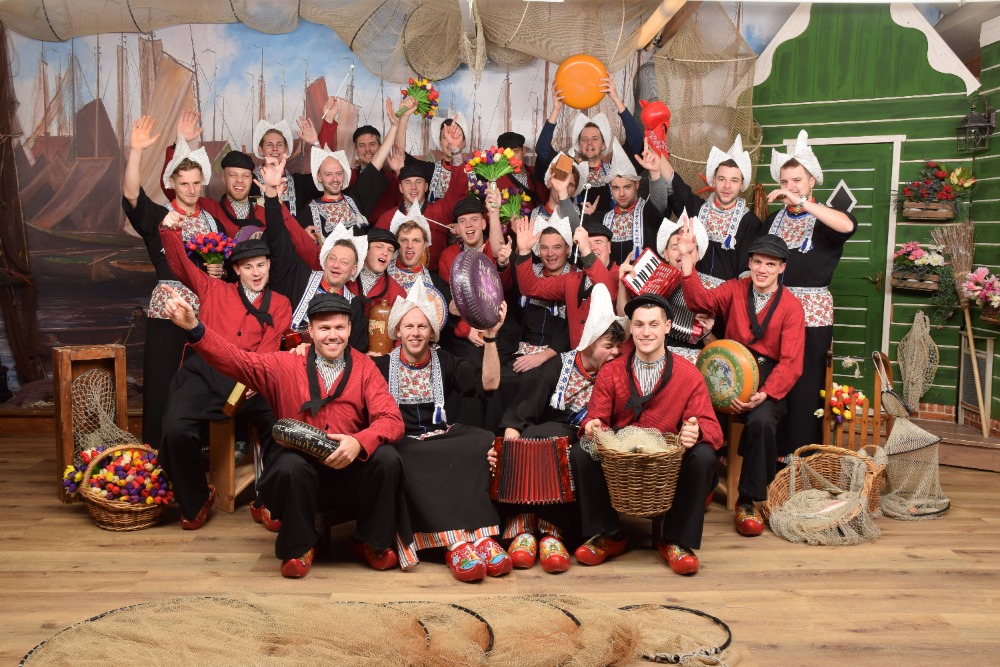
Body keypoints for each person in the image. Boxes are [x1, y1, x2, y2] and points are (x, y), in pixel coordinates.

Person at [164, 288, 408, 578]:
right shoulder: (284, 364)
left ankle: (369, 541)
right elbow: (235, 359)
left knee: (387, 458)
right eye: (324, 328)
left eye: (339, 328)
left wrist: (358, 441)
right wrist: (194, 326)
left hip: (349, 471)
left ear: (350, 328)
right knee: (291, 464)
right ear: (310, 331)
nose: (333, 335)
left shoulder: (365, 368)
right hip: (299, 477)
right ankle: (300, 547)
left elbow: (392, 419)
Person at [156, 221, 292, 531]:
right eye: (248, 267)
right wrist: (169, 232)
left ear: (269, 265)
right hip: (203, 372)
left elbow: (270, 347)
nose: (256, 272)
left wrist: (256, 379)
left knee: (281, 423)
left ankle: (269, 498)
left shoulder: (281, 303)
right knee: (175, 429)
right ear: (237, 270)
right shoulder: (213, 288)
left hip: (250, 375)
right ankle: (196, 499)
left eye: (261, 265)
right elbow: (180, 266)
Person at [578, 293, 723, 575]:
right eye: (639, 325)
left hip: (667, 463)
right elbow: (596, 419)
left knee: (704, 456)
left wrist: (696, 431)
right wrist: (593, 427)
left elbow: (715, 431)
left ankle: (675, 540)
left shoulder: (688, 374)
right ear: (631, 329)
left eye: (654, 324)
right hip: (620, 460)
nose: (646, 332)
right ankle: (609, 535)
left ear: (667, 326)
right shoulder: (611, 372)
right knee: (582, 451)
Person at [375, 280, 511, 581]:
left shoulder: (444, 360)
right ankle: (454, 544)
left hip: (439, 435)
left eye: (422, 327)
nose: (415, 333)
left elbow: (489, 383)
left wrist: (491, 338)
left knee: (483, 440)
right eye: (409, 326)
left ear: (431, 332)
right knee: (401, 456)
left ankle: (481, 538)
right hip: (404, 441)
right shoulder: (380, 366)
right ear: (398, 331)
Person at [494, 283, 628, 573]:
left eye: (618, 346)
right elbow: (526, 406)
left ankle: (554, 533)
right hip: (550, 432)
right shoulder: (558, 366)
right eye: (609, 346)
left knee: (570, 449)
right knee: (533, 440)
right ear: (590, 343)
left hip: (591, 437)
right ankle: (524, 529)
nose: (616, 352)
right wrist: (511, 439)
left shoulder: (616, 374)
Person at [679, 229, 805, 537]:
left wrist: (765, 394)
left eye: (770, 264)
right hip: (728, 371)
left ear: (782, 268)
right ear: (749, 263)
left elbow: (791, 363)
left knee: (762, 422)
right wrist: (686, 260)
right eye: (757, 262)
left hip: (768, 377)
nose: (762, 269)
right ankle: (700, 485)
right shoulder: (734, 289)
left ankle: (747, 500)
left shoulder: (792, 306)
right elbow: (701, 303)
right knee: (695, 412)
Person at [122, 116, 220, 449]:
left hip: (205, 313)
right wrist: (136, 151)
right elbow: (131, 195)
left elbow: (222, 262)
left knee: (201, 380)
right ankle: (158, 450)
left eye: (196, 183)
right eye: (184, 183)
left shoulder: (211, 220)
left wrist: (218, 270)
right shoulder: (159, 216)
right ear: (172, 183)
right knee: (164, 381)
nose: (191, 190)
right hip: (168, 309)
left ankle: (198, 450)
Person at [767, 130, 856, 456]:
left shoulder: (825, 218)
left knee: (806, 385)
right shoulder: (773, 221)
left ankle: (803, 456)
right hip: (775, 310)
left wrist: (803, 203)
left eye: (797, 180)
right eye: (785, 181)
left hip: (812, 315)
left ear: (812, 181)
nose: (790, 186)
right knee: (774, 378)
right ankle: (773, 455)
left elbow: (847, 226)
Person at [259, 156, 370, 352]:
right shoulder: (299, 277)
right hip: (286, 361)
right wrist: (271, 193)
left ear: (353, 270)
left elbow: (357, 354)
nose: (336, 265)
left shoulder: (354, 306)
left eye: (344, 262)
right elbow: (278, 239)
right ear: (324, 260)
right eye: (332, 259)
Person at [661, 135, 763, 285]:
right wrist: (656, 152)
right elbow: (676, 184)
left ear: (742, 184)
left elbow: (746, 273)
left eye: (734, 180)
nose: (727, 186)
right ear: (714, 180)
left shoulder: (750, 223)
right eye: (722, 179)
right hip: (691, 290)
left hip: (726, 296)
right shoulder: (697, 208)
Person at [535, 77, 644, 214]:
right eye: (584, 139)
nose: (589, 143)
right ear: (579, 146)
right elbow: (542, 149)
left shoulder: (615, 167)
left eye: (595, 139)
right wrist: (556, 109)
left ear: (603, 145)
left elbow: (636, 139)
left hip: (609, 226)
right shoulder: (568, 168)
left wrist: (615, 98)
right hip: (575, 226)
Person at [297, 101, 400, 239]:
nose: (335, 179)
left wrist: (394, 126)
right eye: (328, 174)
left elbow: (377, 162)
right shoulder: (307, 213)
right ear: (319, 177)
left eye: (339, 173)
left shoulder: (355, 199)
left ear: (344, 175)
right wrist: (302, 237)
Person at [582, 140, 669, 266]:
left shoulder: (649, 212)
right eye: (616, 188)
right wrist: (587, 217)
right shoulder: (602, 219)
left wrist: (654, 173)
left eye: (627, 187)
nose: (621, 194)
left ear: (637, 184)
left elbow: (659, 202)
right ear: (610, 188)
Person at [374, 161, 468, 272]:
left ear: (426, 186)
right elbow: (375, 254)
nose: (413, 187)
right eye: (407, 182)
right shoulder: (387, 219)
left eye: (418, 182)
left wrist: (456, 153)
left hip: (434, 277)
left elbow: (458, 189)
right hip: (396, 278)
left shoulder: (439, 211)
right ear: (400, 187)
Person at [250, 117, 323, 218]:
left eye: (279, 144)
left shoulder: (299, 183)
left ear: (286, 150)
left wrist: (315, 142)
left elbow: (325, 178)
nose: (275, 148)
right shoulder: (250, 180)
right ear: (260, 150)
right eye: (269, 145)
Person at [386, 211, 452, 302]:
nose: (410, 246)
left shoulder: (438, 285)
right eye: (404, 240)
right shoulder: (382, 276)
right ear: (397, 244)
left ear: (425, 245)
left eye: (416, 240)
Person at [350, 227, 407, 318]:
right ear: (365, 249)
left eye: (390, 250)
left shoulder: (397, 294)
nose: (385, 253)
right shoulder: (346, 278)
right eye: (379, 247)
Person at [494, 131, 547, 204]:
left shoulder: (537, 172)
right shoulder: (497, 181)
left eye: (515, 152)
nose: (512, 158)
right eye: (506, 154)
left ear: (524, 151)